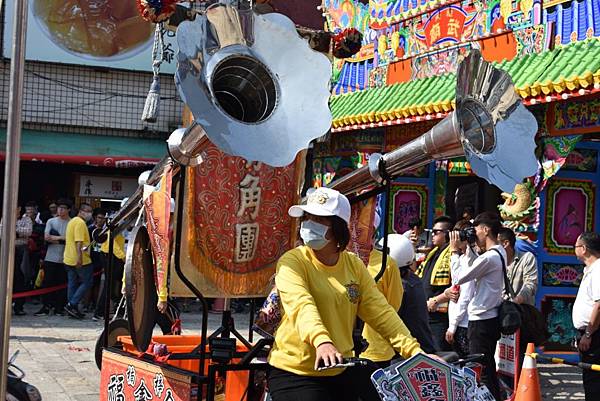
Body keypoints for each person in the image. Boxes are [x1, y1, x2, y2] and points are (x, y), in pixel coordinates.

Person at [267, 187, 433, 401]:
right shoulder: (293, 261)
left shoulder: (354, 265)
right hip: (295, 372)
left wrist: (415, 353)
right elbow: (301, 305)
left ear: (339, 228)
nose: (309, 224)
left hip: (340, 367)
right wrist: (322, 341)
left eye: (319, 219)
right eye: (308, 217)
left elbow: (381, 312)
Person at [448, 212, 505, 401]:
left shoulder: (490, 258)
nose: (475, 233)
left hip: (481, 321)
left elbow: (459, 278)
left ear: (486, 229)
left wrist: (455, 252)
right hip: (489, 318)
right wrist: (471, 247)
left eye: (477, 229)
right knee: (487, 366)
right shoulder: (499, 252)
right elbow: (473, 266)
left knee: (481, 371)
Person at [361, 215, 404, 368]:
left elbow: (392, 305)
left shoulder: (387, 264)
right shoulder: (340, 259)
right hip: (341, 347)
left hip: (375, 348)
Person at [391, 234, 436, 354]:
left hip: (411, 351)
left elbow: (388, 318)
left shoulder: (401, 285)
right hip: (423, 343)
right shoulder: (412, 278)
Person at [415, 215, 454, 351]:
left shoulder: (453, 255)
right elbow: (416, 275)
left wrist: (436, 300)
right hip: (426, 313)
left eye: (436, 232)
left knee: (439, 355)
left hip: (440, 315)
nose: (432, 235)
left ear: (448, 234)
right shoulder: (433, 252)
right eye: (432, 231)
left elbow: (457, 286)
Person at [572, 232, 600, 401]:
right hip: (588, 333)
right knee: (590, 378)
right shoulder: (590, 269)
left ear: (584, 248)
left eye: (576, 245)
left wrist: (588, 333)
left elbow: (599, 304)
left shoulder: (598, 270)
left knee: (593, 380)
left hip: (594, 334)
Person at [35, 199, 71, 316]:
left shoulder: (72, 222)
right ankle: (46, 306)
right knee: (47, 282)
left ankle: (59, 307)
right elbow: (47, 237)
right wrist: (62, 239)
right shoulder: (51, 221)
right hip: (50, 257)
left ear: (69, 210)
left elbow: (70, 240)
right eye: (59, 208)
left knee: (61, 283)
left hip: (65, 258)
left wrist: (56, 238)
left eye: (63, 208)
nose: (60, 210)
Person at [445, 220, 475, 358]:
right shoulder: (463, 258)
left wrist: (453, 326)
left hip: (464, 323)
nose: (453, 240)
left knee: (466, 363)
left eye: (456, 236)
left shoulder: (472, 260)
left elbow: (465, 295)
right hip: (459, 322)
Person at [63, 203, 94, 319]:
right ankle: (72, 304)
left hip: (68, 258)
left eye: (91, 211)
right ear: (81, 211)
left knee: (72, 283)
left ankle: (72, 306)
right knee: (87, 282)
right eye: (87, 211)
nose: (89, 214)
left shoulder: (72, 221)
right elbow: (79, 242)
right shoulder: (80, 223)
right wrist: (80, 258)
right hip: (80, 259)